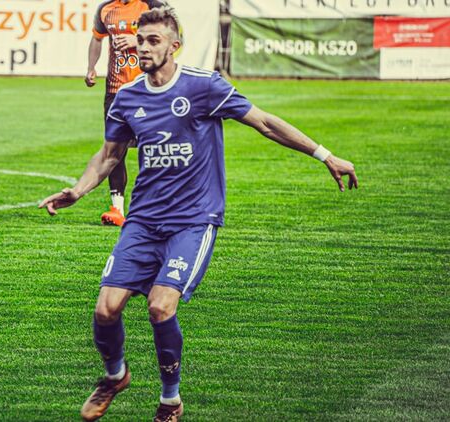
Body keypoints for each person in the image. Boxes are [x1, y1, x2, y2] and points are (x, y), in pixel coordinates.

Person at [41, 7, 358, 422]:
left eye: (153, 40)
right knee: (105, 309)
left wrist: (325, 155)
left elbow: (264, 122)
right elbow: (109, 156)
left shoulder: (204, 86)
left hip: (193, 221)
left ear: (175, 46)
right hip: (143, 221)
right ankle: (115, 376)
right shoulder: (128, 97)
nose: (143, 47)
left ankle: (170, 400)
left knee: (160, 306)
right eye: (140, 40)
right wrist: (79, 190)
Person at [86, 0, 165, 227]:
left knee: (155, 148)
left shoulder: (153, 6)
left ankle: (157, 205)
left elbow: (173, 40)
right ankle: (117, 209)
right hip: (116, 92)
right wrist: (91, 67)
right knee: (114, 149)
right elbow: (97, 38)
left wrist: (137, 40)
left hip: (148, 89)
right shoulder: (106, 9)